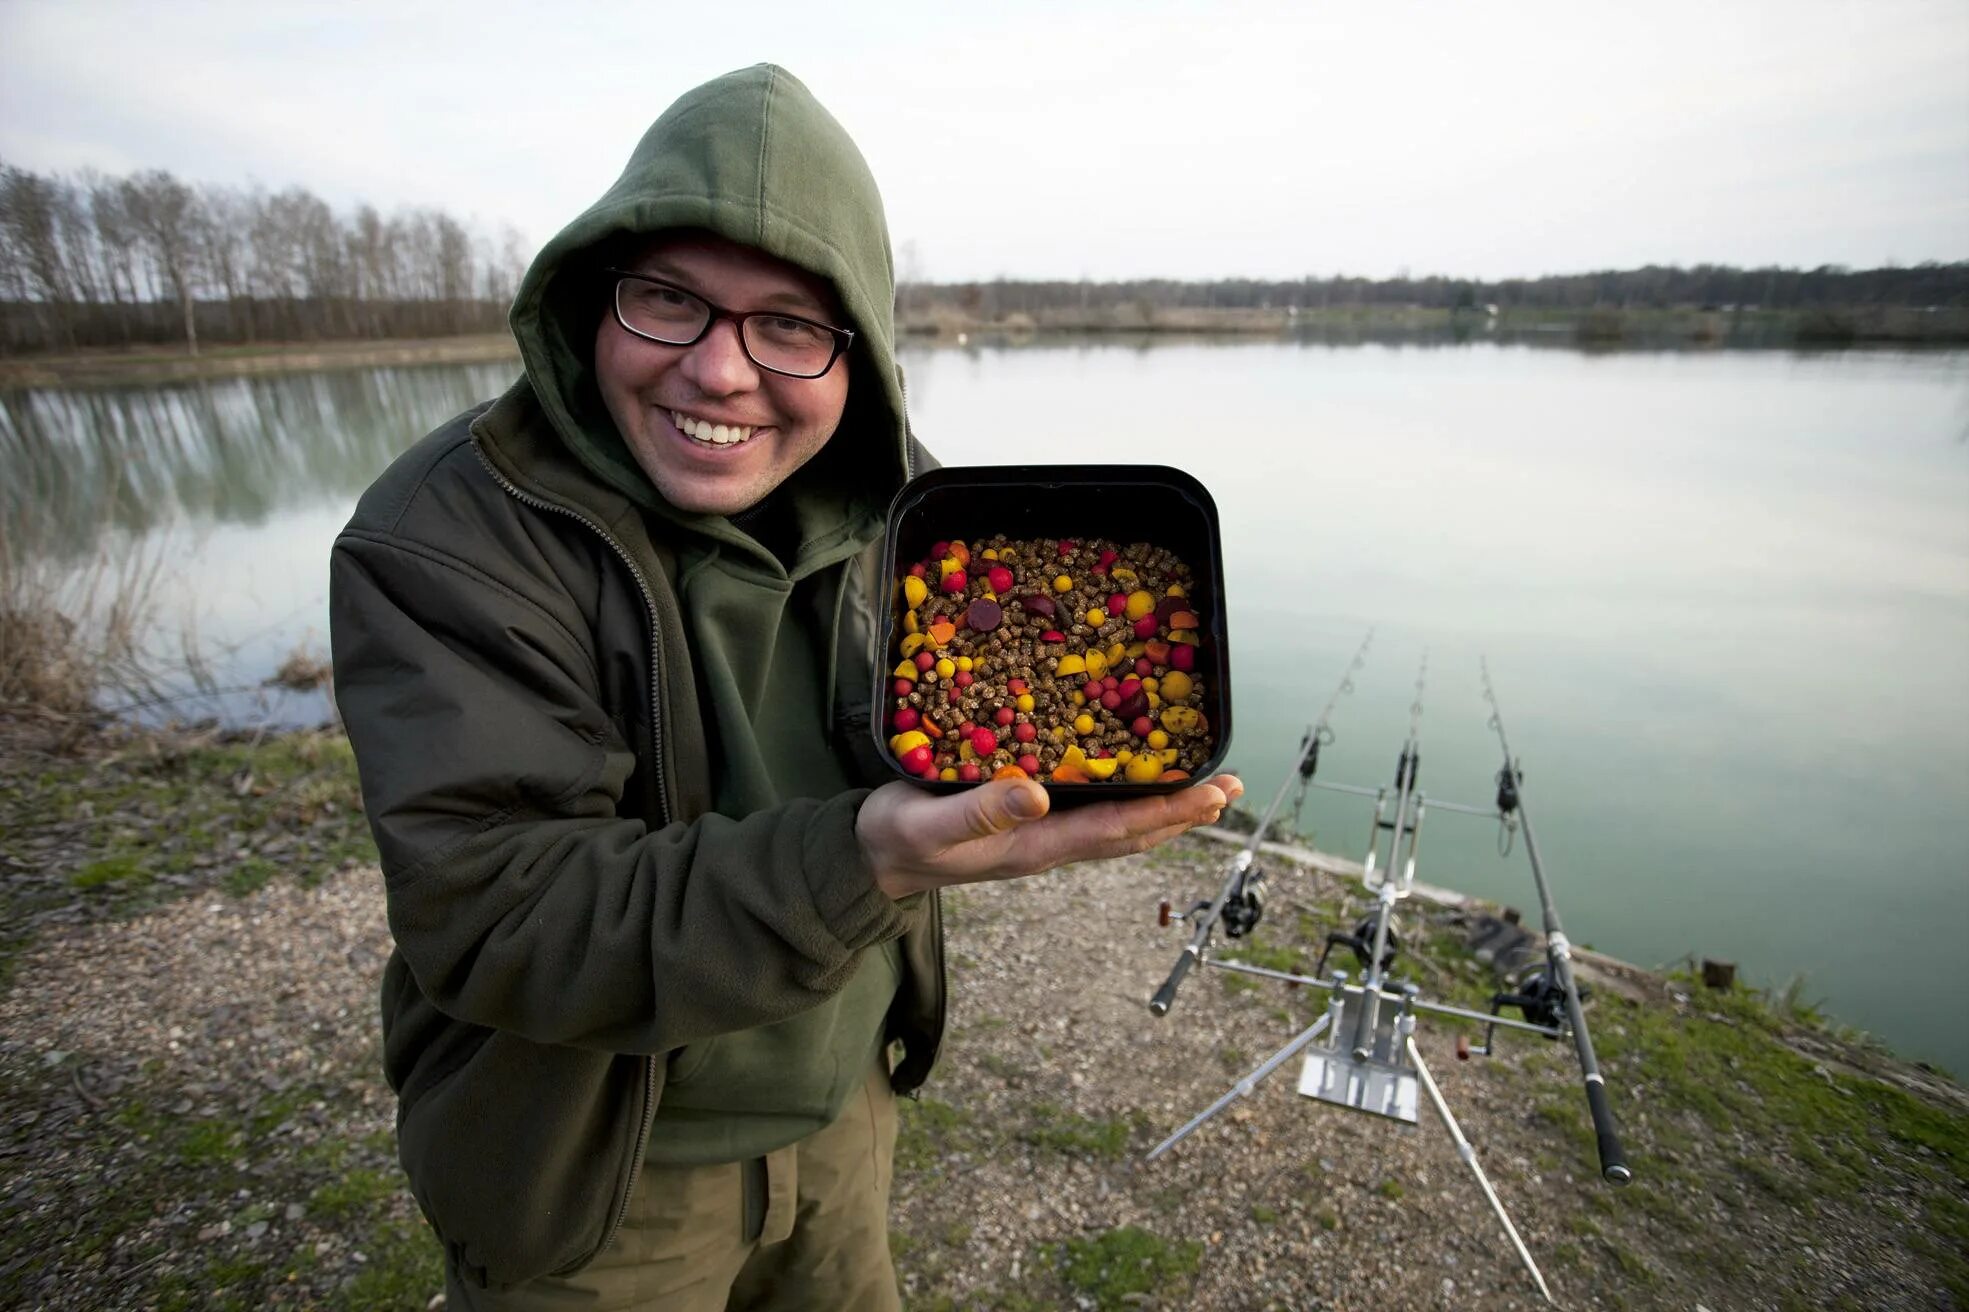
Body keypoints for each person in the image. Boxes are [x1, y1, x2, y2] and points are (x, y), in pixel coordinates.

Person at [329, 64, 1241, 1310]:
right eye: (670, 302)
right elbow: (500, 920)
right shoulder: (446, 538)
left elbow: (972, 692)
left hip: (839, 1100)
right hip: (596, 1156)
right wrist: (873, 856)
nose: (719, 373)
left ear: (852, 348)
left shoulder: (897, 498)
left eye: (788, 326)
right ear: (598, 298)